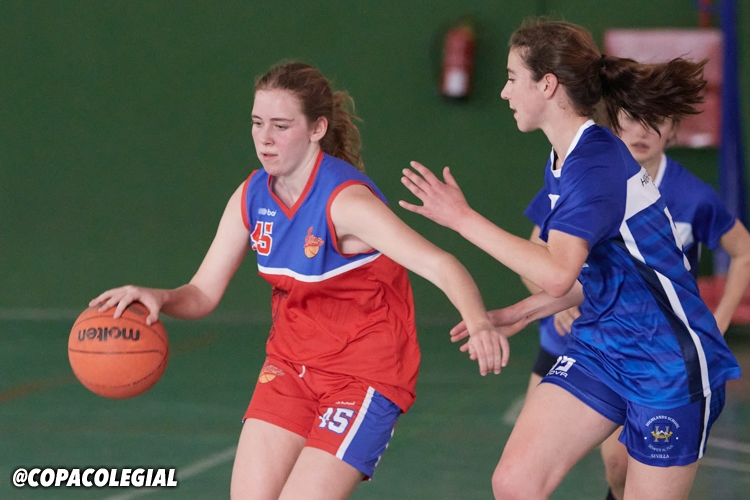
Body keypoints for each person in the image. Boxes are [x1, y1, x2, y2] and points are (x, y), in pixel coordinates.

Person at [89, 62, 510, 500]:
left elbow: (441, 264)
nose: (264, 138)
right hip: (290, 367)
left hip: (363, 375)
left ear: (316, 129)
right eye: (257, 123)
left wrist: (479, 323)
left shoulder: (346, 203)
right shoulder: (252, 196)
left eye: (281, 125)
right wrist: (157, 296)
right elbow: (202, 294)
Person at [399, 18, 741, 500]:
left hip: (666, 363)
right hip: (602, 346)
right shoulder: (568, 158)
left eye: (512, 77)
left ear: (547, 84)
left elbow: (558, 274)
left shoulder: (595, 164)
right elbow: (601, 275)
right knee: (515, 483)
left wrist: (462, 218)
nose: (504, 92)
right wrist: (521, 312)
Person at [597, 111, 750, 500]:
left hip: (669, 355)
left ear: (673, 131)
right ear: (613, 124)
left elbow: (744, 251)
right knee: (616, 464)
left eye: (657, 122)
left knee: (642, 468)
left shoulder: (692, 196)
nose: (643, 131)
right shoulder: (596, 181)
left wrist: (720, 320)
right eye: (632, 119)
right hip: (609, 342)